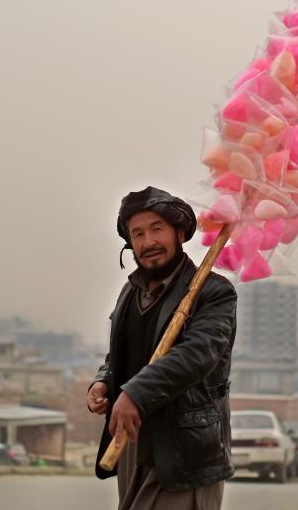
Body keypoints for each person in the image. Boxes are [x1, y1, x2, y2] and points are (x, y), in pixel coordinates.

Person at [87, 187, 237, 510]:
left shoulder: (214, 294)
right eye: (138, 233)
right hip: (133, 447)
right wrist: (104, 380)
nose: (148, 242)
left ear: (179, 233)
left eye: (157, 229)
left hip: (185, 453)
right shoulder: (131, 291)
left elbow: (195, 358)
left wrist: (135, 394)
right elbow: (121, 354)